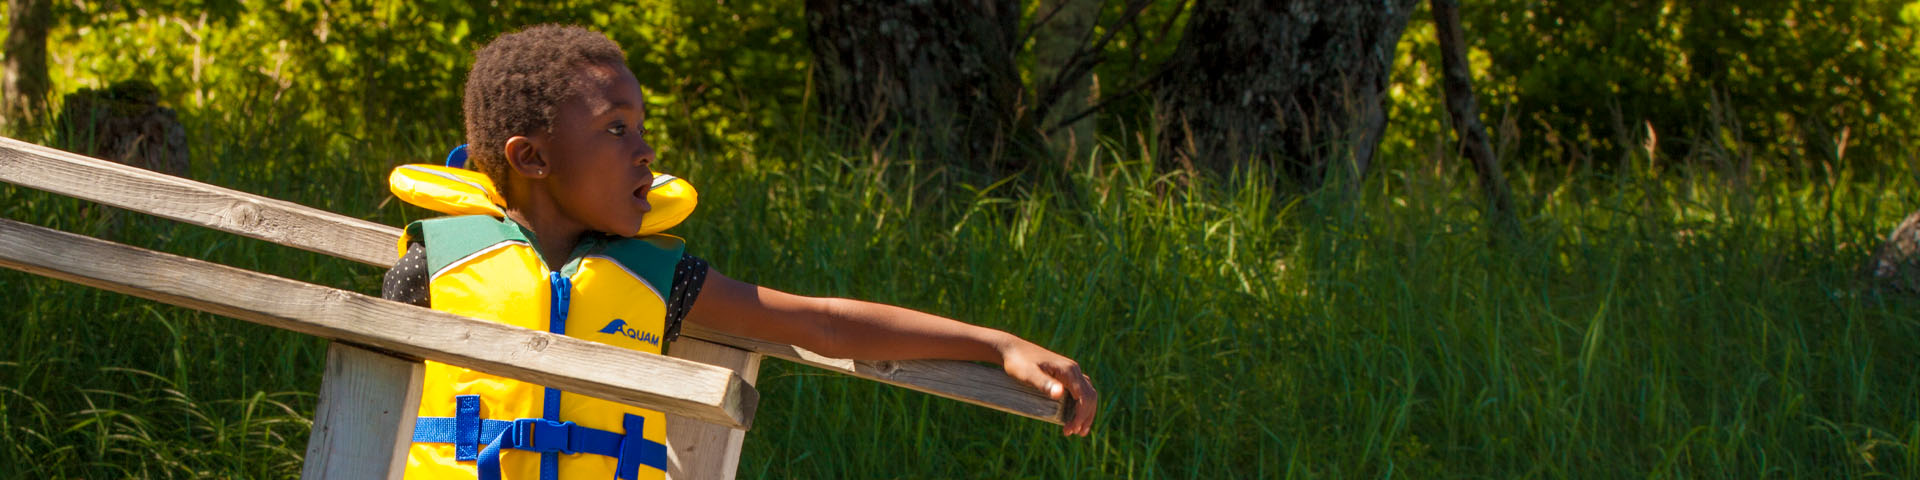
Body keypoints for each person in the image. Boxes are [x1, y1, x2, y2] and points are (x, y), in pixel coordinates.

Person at [380, 25, 1096, 480]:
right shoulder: (431, 268)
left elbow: (821, 323)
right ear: (531, 157)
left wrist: (995, 342)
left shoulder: (661, 277)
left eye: (642, 127)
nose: (645, 151)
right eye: (615, 130)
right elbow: (374, 411)